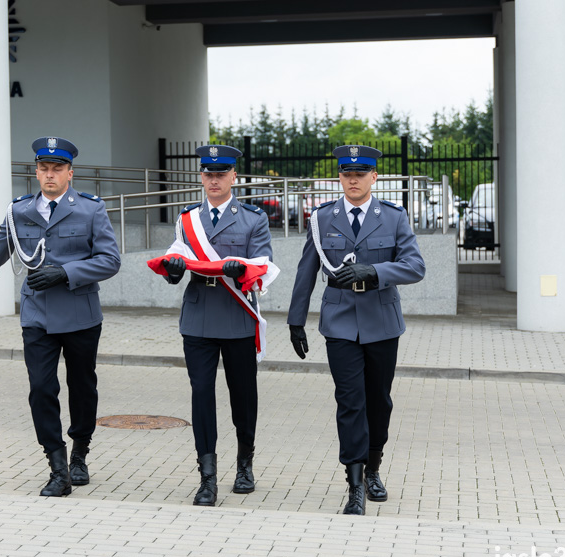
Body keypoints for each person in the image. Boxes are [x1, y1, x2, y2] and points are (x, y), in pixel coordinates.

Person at [0, 137, 121, 497]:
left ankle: (80, 452)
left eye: (57, 169)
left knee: (82, 388)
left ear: (70, 173)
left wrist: (66, 273)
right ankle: (57, 465)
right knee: (41, 389)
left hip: (80, 313)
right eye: (44, 169)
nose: (50, 175)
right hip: (37, 314)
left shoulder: (91, 210)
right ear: (36, 172)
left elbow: (110, 260)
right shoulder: (19, 211)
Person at [287, 145, 425, 515]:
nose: (353, 179)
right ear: (339, 177)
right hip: (340, 322)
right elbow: (306, 270)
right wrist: (295, 319)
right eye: (347, 174)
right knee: (350, 401)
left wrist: (375, 272)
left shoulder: (393, 217)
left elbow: (415, 267)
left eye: (360, 174)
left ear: (373, 177)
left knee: (378, 401)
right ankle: (354, 483)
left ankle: (374, 468)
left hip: (382, 321)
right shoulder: (323, 217)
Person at [157, 145, 273, 506]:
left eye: (221, 174)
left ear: (233, 177)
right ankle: (207, 476)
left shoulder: (254, 218)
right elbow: (177, 264)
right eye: (208, 174)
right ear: (201, 177)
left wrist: (243, 274)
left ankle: (245, 463)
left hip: (236, 314)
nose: (214, 180)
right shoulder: (188, 218)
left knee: (243, 396)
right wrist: (173, 271)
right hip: (198, 316)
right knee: (201, 395)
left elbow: (263, 269)